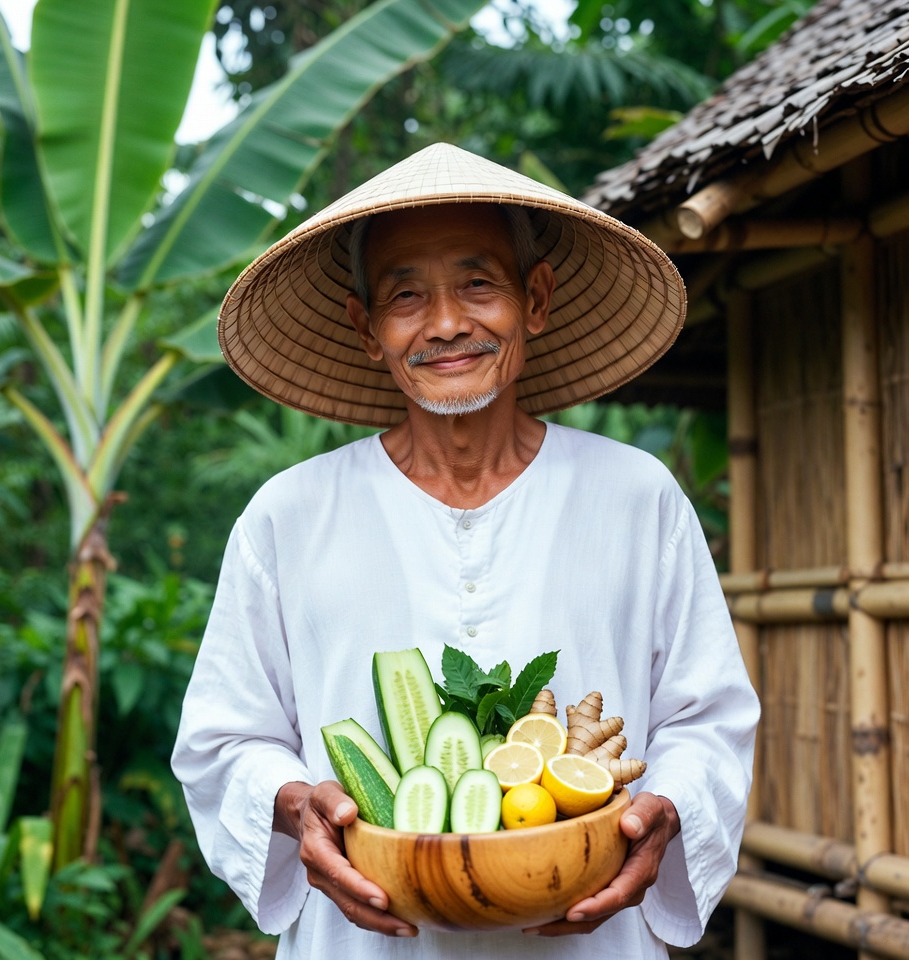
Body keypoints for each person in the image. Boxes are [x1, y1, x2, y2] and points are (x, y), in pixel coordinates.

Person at [172, 142, 759, 960]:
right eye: (405, 295)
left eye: (478, 284)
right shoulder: (289, 516)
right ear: (366, 327)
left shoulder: (636, 496)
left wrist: (668, 808)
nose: (446, 323)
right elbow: (224, 739)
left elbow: (707, 718)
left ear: (536, 299)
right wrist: (294, 802)